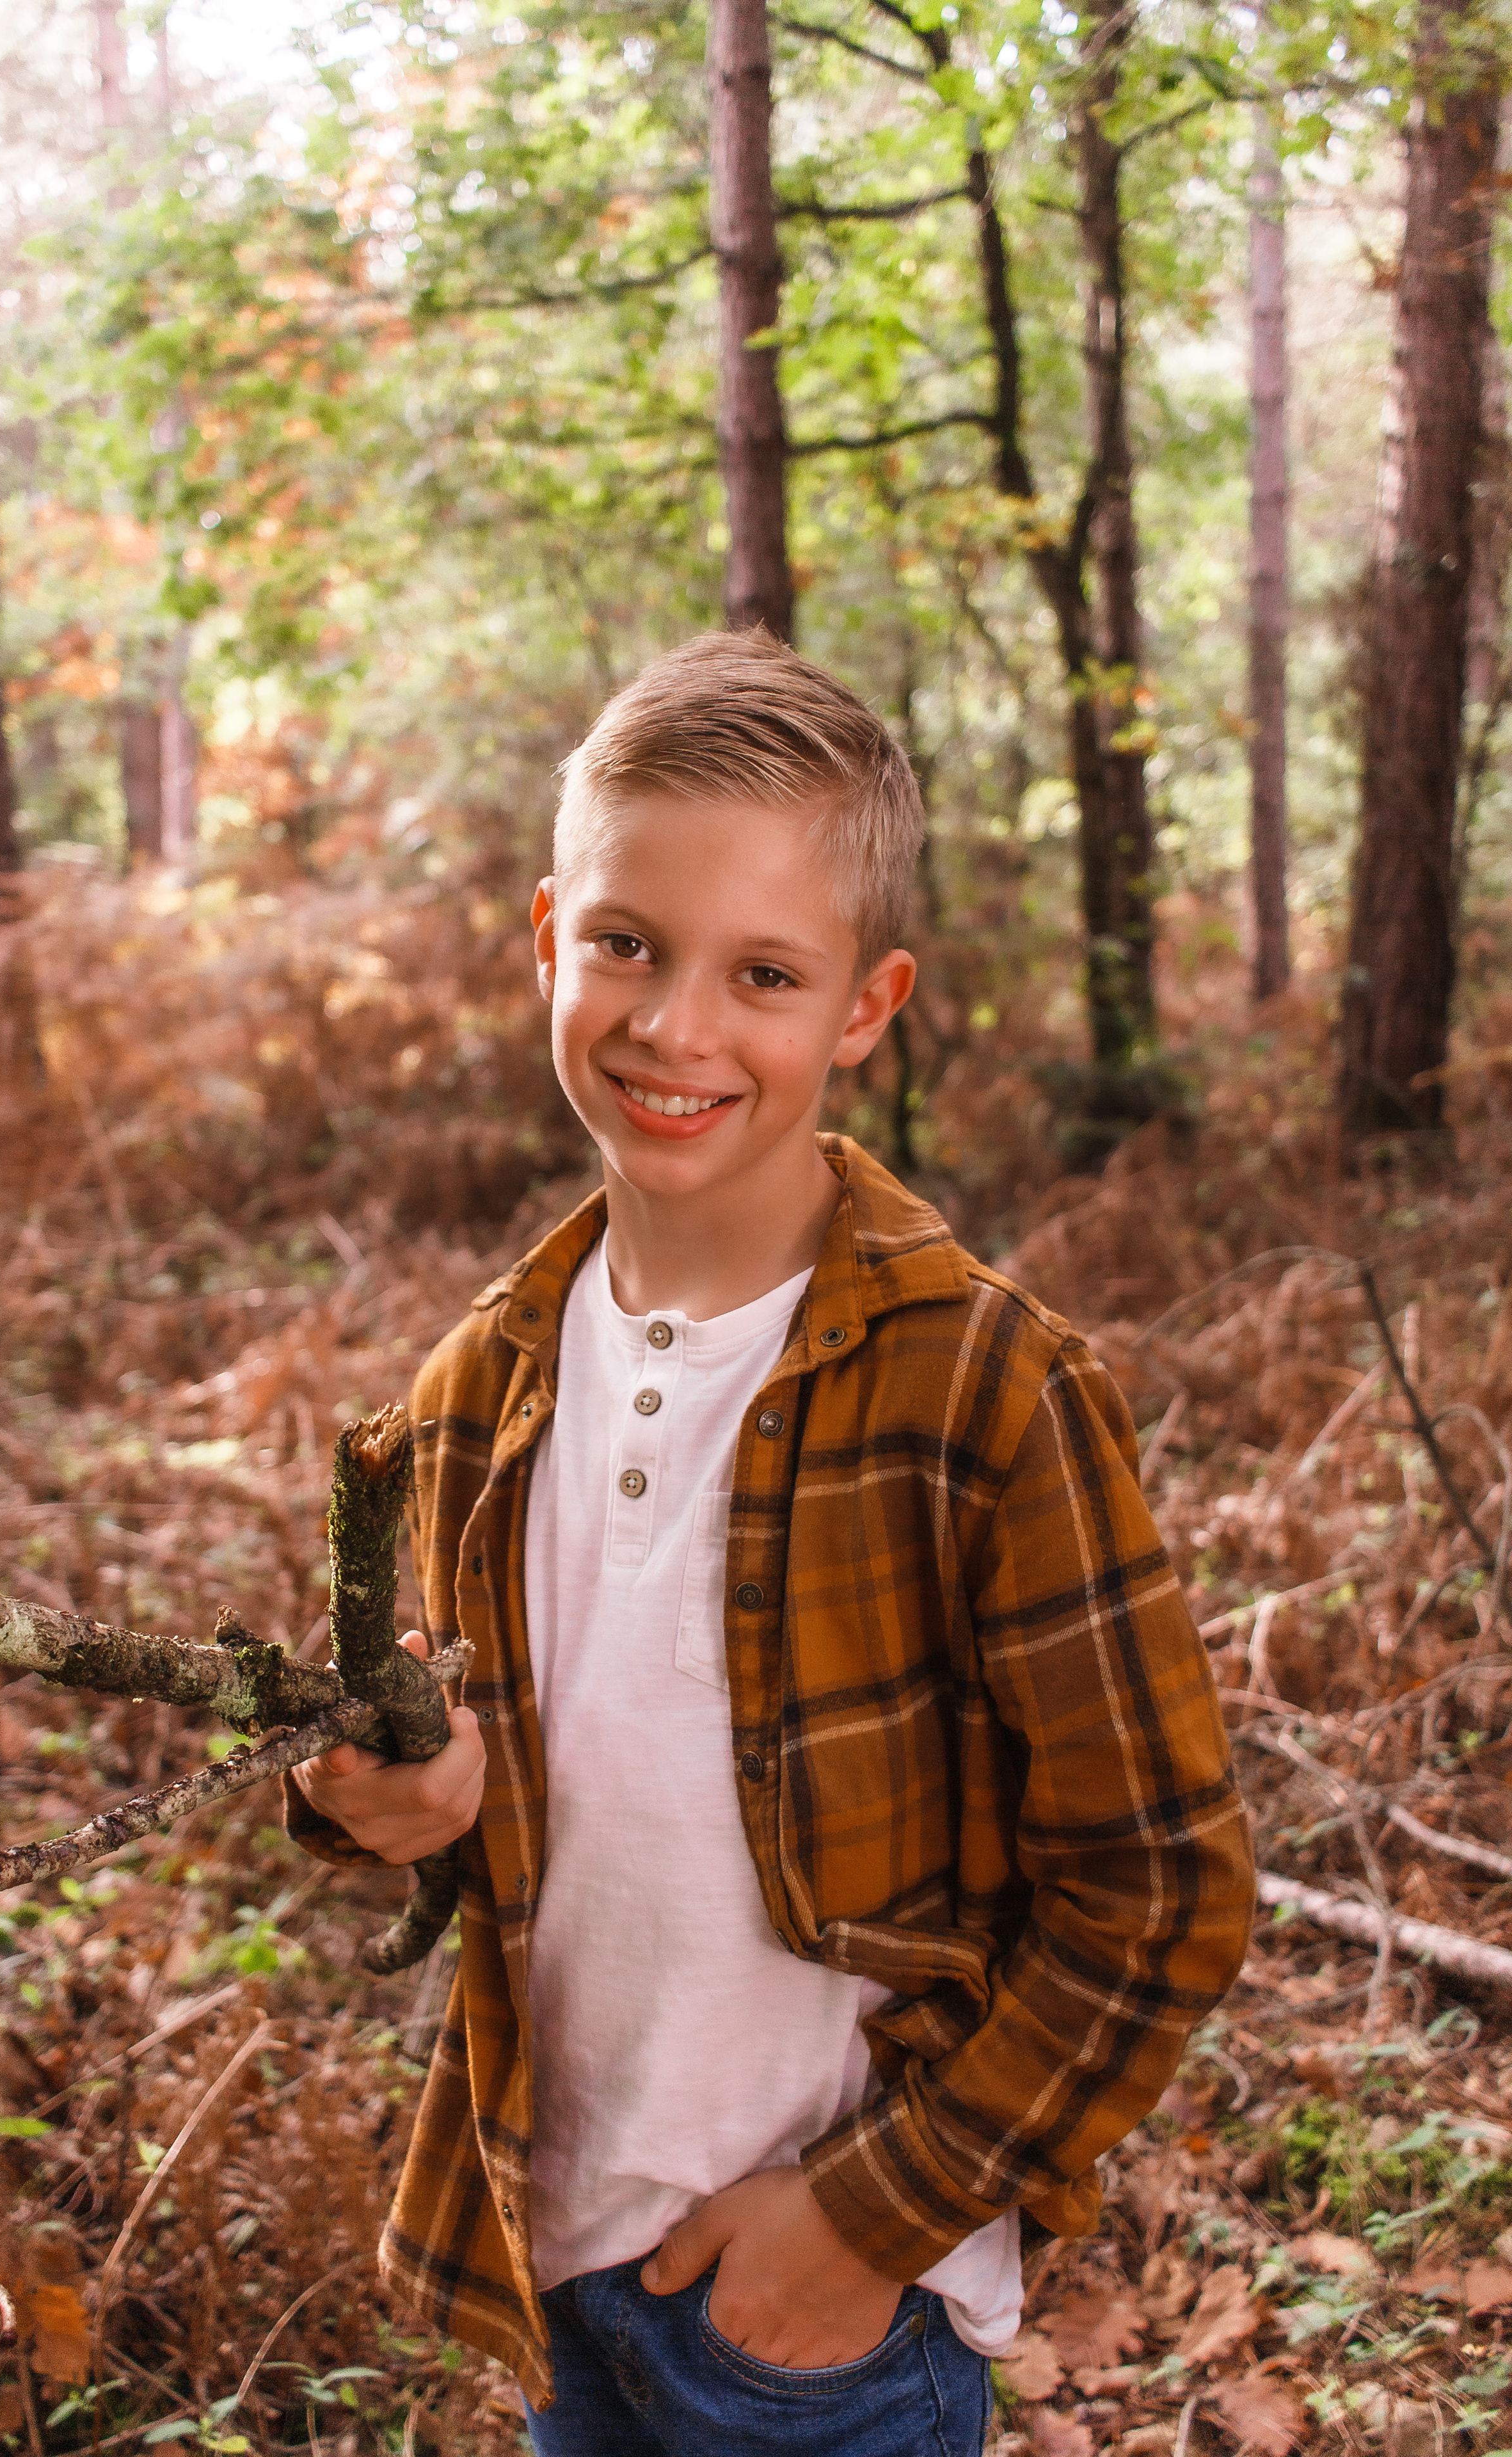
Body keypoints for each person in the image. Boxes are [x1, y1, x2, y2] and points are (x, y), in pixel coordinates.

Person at [285, 632, 1255, 2455]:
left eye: (767, 974)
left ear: (865, 1008)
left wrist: (863, 2226)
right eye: (631, 946)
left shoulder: (984, 1391)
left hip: (821, 2322)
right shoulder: (474, 1385)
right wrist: (383, 1791)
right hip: (560, 2251)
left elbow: (1166, 1890)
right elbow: (443, 1768)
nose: (677, 1028)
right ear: (549, 935)